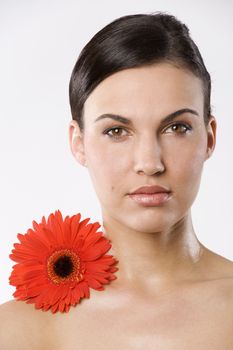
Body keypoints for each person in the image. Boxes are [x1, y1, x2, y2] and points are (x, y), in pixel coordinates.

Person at [1, 11, 233, 349]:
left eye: (177, 128)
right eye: (116, 131)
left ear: (209, 137)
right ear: (78, 143)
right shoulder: (18, 328)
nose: (150, 163)